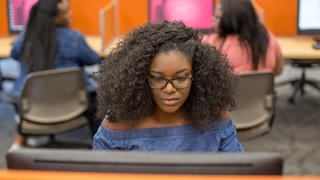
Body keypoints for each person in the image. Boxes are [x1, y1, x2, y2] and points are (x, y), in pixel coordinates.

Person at [93, 21, 243, 152]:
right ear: (140, 78)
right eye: (158, 78)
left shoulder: (215, 116)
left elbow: (237, 172)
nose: (169, 89)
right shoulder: (120, 122)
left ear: (197, 77)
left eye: (181, 78)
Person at [9, 0, 101, 147]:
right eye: (65, 12)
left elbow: (14, 54)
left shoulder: (26, 37)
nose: (71, 14)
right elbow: (93, 59)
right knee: (98, 97)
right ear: (54, 18)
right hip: (73, 105)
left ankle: (20, 143)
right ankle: (99, 146)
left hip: (34, 106)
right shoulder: (74, 38)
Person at [202, 0, 284, 76]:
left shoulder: (215, 41)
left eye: (217, 17)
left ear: (231, 21)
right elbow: (278, 70)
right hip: (262, 91)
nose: (213, 19)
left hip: (232, 91)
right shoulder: (268, 37)